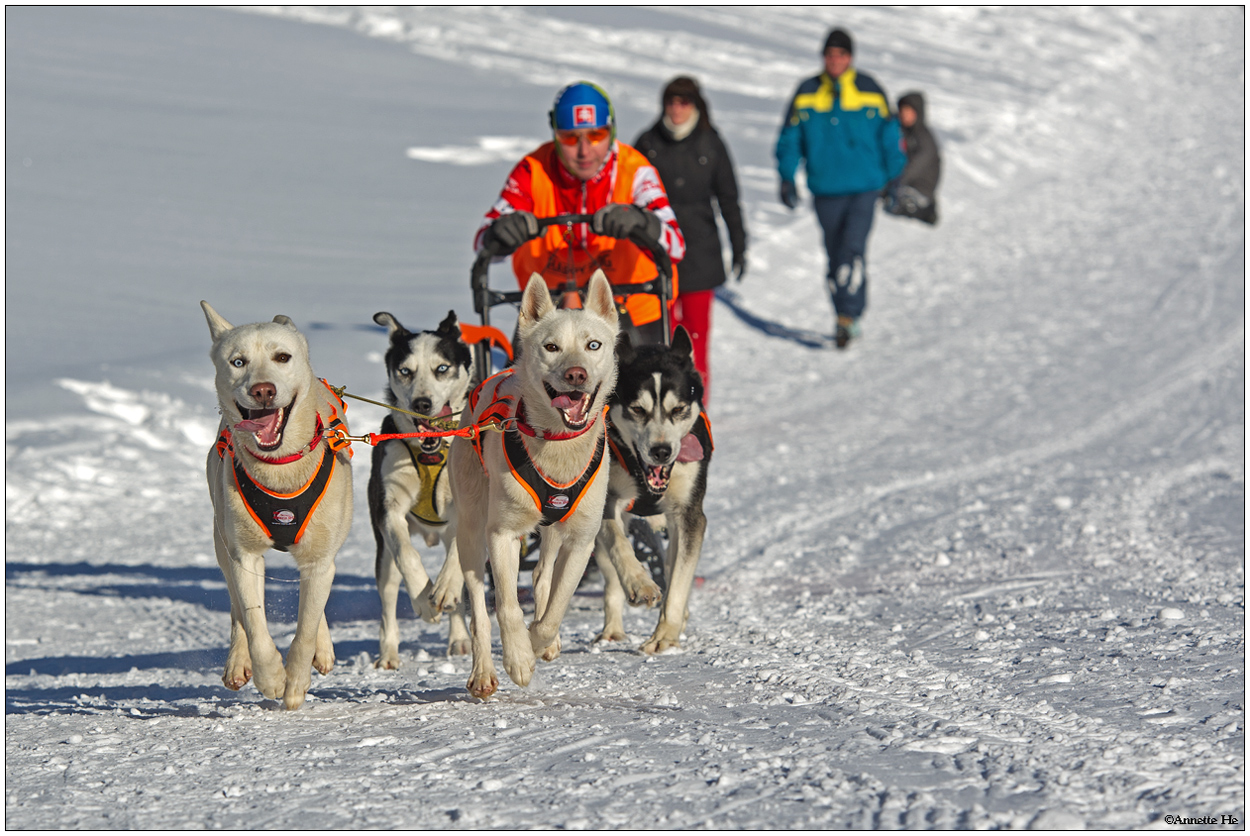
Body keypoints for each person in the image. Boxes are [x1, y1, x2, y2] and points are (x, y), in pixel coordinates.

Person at [475, 81, 685, 346]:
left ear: (611, 131)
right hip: (550, 318)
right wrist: (502, 232)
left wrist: (644, 222)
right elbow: (482, 243)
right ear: (555, 135)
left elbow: (676, 246)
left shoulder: (636, 172)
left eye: (596, 135)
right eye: (570, 138)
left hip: (630, 313)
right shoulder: (532, 170)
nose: (585, 151)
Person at [775, 27, 907, 349]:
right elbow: (790, 140)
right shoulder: (807, 92)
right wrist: (787, 177)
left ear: (851, 57)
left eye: (841, 55)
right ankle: (842, 313)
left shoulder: (870, 90)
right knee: (835, 255)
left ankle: (850, 314)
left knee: (852, 249)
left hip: (865, 186)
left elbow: (890, 139)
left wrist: (895, 179)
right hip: (826, 188)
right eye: (830, 54)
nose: (835, 60)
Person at [633, 76, 746, 402]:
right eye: (671, 102)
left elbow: (728, 197)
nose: (676, 109)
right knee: (661, 338)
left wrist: (739, 245)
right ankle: (663, 404)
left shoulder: (710, 143)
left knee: (695, 336)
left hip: (700, 254)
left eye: (683, 102)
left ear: (696, 106)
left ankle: (697, 404)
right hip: (657, 255)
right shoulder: (648, 142)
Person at [883, 91, 940, 225]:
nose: (904, 115)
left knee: (898, 205)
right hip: (899, 181)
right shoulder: (898, 131)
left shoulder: (924, 138)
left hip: (920, 184)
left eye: (909, 111)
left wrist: (897, 180)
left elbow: (917, 165)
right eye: (902, 111)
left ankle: (925, 210)